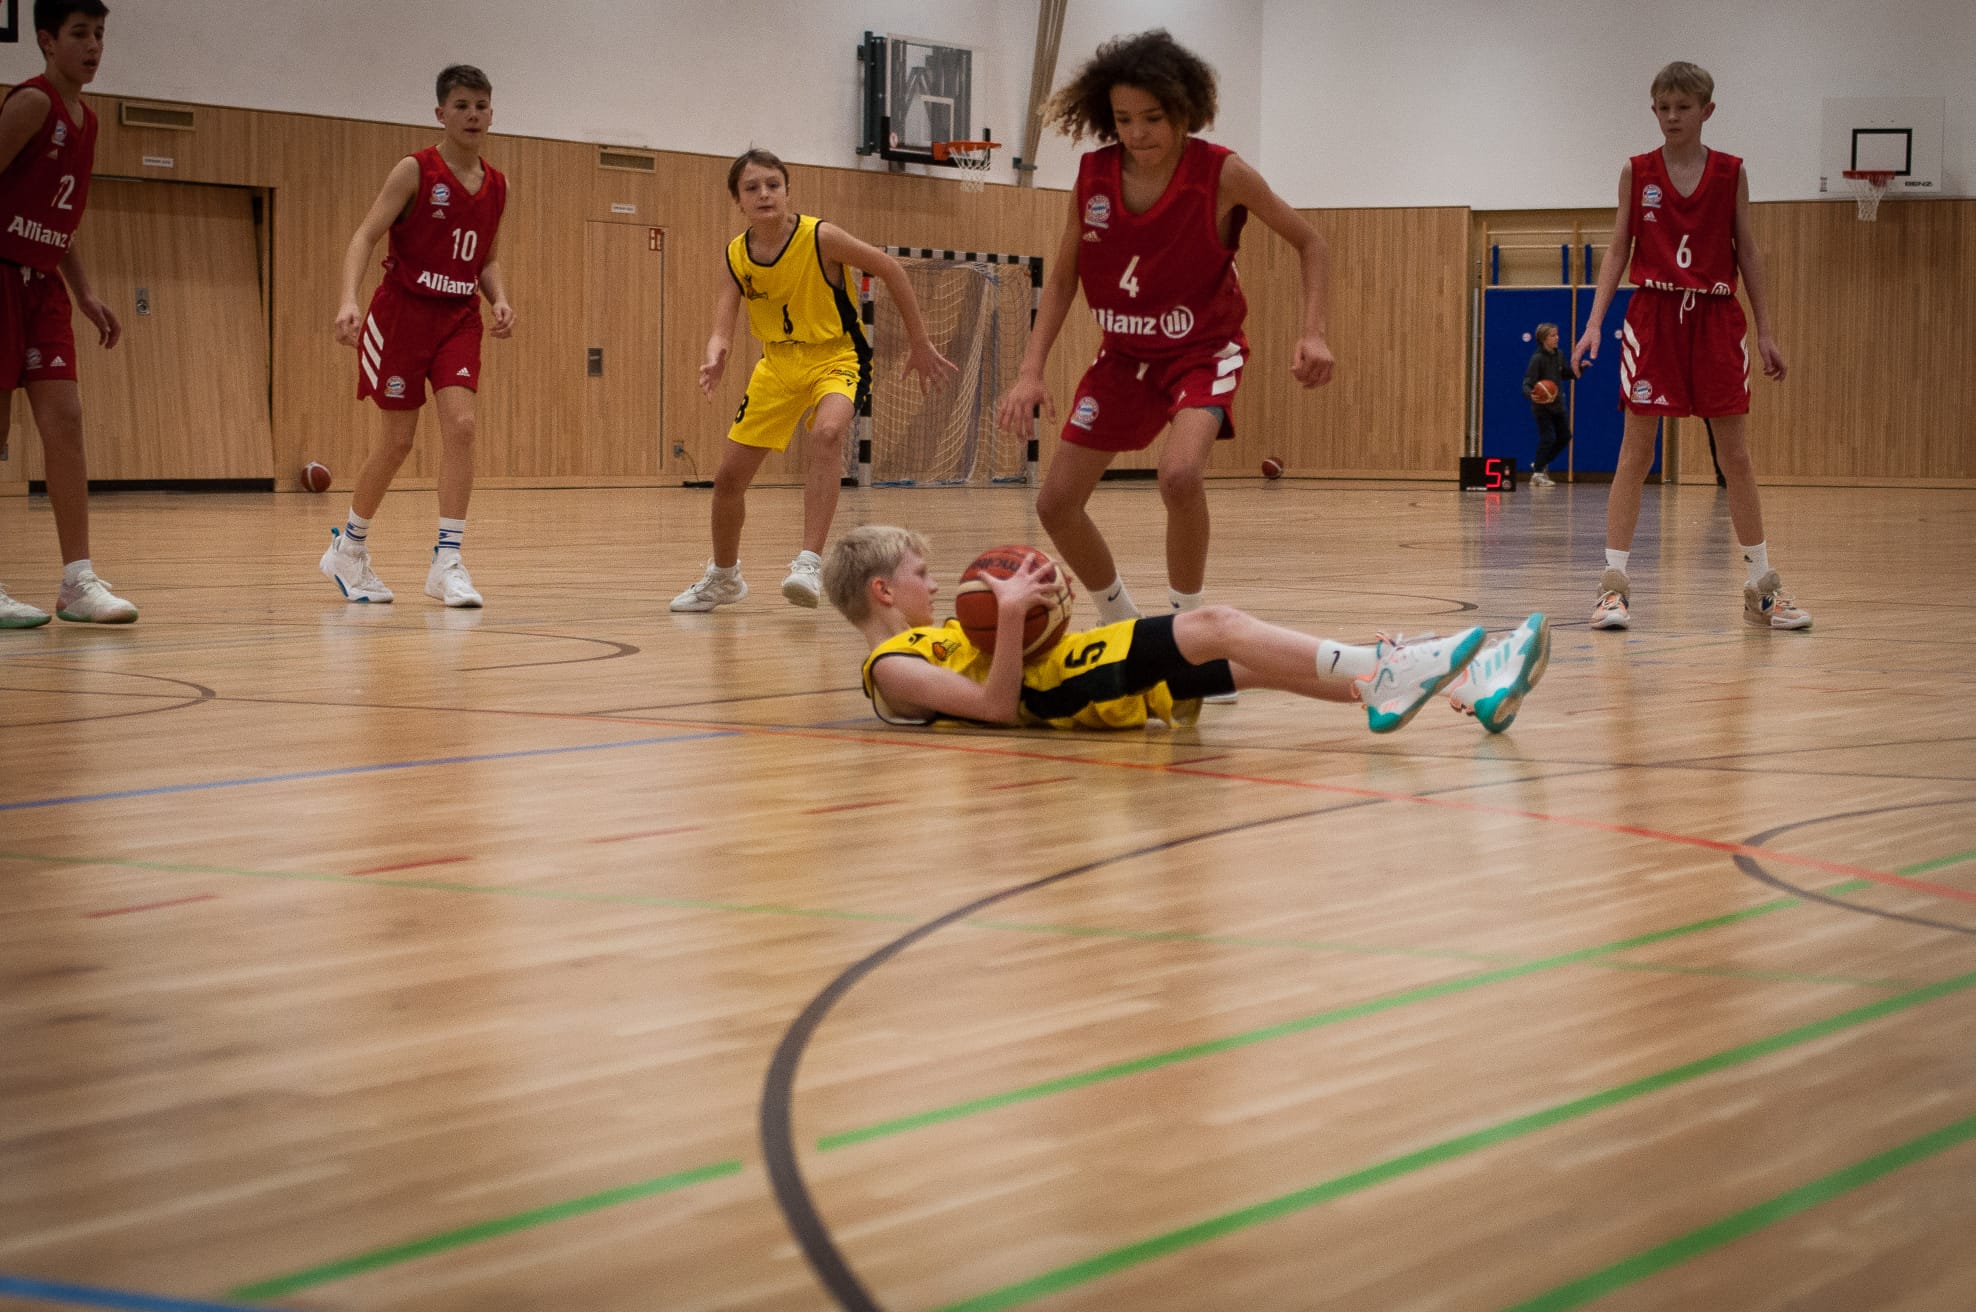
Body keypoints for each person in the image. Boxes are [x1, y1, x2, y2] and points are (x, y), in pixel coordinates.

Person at [993, 29, 1334, 635]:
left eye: (1152, 117)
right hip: (1124, 356)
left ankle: (1187, 629)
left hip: (1204, 350)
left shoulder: (1222, 173)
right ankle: (1122, 624)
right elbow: (1066, 280)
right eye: (1123, 119)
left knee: (1179, 475)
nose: (1137, 132)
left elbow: (1311, 242)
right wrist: (1030, 370)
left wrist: (1313, 332)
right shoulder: (1093, 176)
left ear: (1183, 110)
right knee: (1055, 504)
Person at [822, 525, 1552, 735]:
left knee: (1262, 664)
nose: (936, 583)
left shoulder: (941, 635)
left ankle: (1472, 683)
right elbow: (992, 708)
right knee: (1219, 623)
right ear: (884, 590)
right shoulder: (889, 670)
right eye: (922, 574)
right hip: (1058, 695)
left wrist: (1049, 608)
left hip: (1072, 673)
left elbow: (1005, 659)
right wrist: (1011, 617)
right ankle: (1387, 668)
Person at [1571, 61, 1809, 631]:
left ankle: (1761, 587)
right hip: (1653, 315)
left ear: (1707, 111)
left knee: (1737, 458)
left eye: (1683, 107)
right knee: (1637, 452)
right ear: (1653, 110)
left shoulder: (1730, 173)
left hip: (1717, 316)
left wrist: (1767, 329)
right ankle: (1612, 588)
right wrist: (1594, 324)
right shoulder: (1637, 171)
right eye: (1662, 107)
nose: (1672, 117)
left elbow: (1748, 252)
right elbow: (1617, 249)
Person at [669, 149, 956, 612]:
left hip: (837, 356)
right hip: (777, 366)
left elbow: (891, 269)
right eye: (751, 188)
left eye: (772, 185)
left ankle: (807, 562)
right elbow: (724, 321)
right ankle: (724, 578)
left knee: (826, 435)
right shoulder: (736, 255)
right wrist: (717, 350)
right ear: (738, 200)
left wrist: (920, 344)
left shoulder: (820, 237)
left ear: (787, 190)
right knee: (727, 480)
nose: (764, 194)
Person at [319, 64, 513, 608]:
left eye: (481, 105)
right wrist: (348, 299)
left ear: (491, 113)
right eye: (461, 105)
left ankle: (447, 561)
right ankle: (349, 548)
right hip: (402, 315)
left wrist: (498, 297)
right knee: (398, 442)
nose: (472, 114)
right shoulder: (415, 171)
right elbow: (364, 234)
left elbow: (487, 258)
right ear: (441, 114)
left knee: (463, 427)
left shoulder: (496, 185)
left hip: (457, 317)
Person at [0, 0, 137, 628]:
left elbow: (60, 215)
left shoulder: (88, 120)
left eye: (101, 35)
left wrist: (83, 292)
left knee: (67, 421)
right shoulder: (30, 103)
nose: (93, 46)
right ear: (47, 41)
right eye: (80, 34)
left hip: (44, 285)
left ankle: (76, 582)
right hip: (1, 273)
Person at [1522, 322, 1581, 486]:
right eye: (1552, 335)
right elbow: (1527, 382)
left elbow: (1564, 374)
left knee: (1565, 436)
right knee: (1547, 437)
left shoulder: (1559, 354)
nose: (1557, 338)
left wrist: (1580, 369)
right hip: (1542, 407)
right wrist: (1530, 393)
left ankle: (1539, 464)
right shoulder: (1537, 358)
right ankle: (1538, 474)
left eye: (1557, 334)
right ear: (1543, 339)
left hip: (1558, 405)